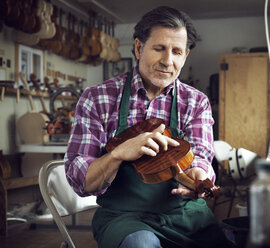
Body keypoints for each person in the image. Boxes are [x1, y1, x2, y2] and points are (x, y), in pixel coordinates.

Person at [64, 6, 235, 248]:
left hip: (185, 216)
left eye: (176, 52)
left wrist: (198, 175)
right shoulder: (97, 98)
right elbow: (80, 182)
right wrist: (117, 154)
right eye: (159, 48)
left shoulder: (196, 102)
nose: (168, 61)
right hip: (124, 218)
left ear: (185, 56)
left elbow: (201, 159)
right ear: (138, 47)